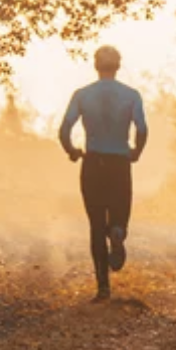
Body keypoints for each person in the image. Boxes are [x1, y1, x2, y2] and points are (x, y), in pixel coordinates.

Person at [59, 45, 148, 301]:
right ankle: (118, 232)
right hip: (120, 162)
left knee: (96, 225)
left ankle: (103, 287)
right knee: (119, 212)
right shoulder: (131, 95)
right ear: (118, 66)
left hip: (93, 163)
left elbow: (64, 130)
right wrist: (136, 152)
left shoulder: (82, 95)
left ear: (95, 66)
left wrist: (73, 151)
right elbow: (141, 128)